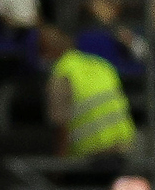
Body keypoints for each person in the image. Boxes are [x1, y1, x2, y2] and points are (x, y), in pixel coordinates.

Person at [38, 25, 138, 158]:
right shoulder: (101, 64)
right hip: (125, 148)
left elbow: (61, 127)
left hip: (90, 157)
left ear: (48, 51)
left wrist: (58, 167)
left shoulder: (62, 75)